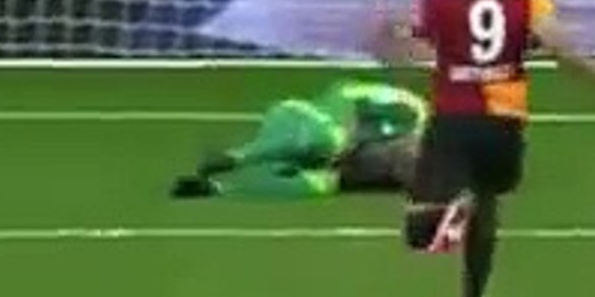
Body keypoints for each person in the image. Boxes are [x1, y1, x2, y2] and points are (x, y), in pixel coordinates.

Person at [389, 0, 595, 297]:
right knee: (488, 204)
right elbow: (559, 47)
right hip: (504, 118)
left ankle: (451, 213)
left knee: (419, 226)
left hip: (454, 113)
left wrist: (408, 51)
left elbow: (410, 39)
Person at [168, 78, 429, 201]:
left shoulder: (393, 163)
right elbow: (346, 95)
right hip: (301, 118)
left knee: (321, 184)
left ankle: (217, 188)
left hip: (332, 147)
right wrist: (347, 138)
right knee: (330, 140)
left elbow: (337, 182)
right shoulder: (411, 111)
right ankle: (239, 157)